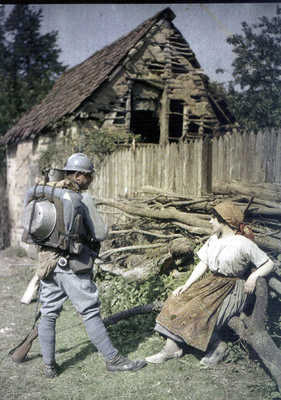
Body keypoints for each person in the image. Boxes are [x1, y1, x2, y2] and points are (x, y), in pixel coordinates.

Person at [23, 153, 146, 378]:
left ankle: (49, 366)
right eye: (89, 176)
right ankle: (114, 360)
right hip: (73, 264)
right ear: (79, 175)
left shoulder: (48, 194)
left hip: (48, 262)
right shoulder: (81, 198)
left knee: (48, 313)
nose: (91, 180)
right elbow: (101, 232)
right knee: (89, 311)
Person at [145, 200, 274, 366]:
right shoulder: (214, 239)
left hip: (232, 288)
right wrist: (187, 285)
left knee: (201, 312)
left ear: (225, 220)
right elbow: (203, 263)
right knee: (178, 300)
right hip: (211, 283)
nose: (210, 221)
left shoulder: (243, 243)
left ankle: (218, 347)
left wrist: (253, 276)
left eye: (213, 218)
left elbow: (268, 263)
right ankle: (171, 348)